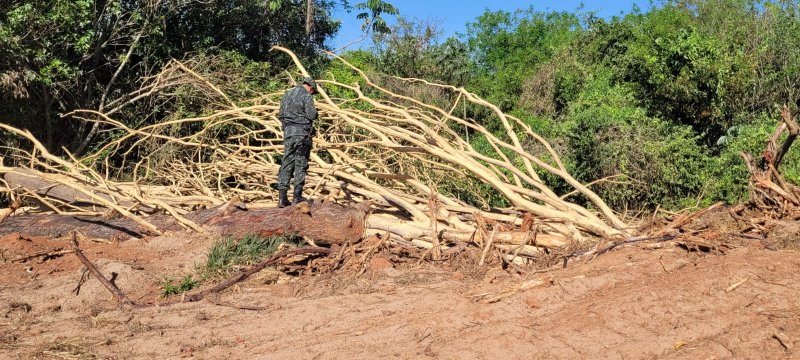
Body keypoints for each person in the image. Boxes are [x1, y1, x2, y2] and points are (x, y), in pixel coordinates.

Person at [276, 77, 318, 208]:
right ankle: (297, 196)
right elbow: (312, 115)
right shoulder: (306, 96)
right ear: (311, 87)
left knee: (287, 162)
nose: (312, 93)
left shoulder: (286, 95)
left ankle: (282, 198)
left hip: (288, 134)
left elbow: (280, 115)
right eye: (313, 91)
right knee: (301, 163)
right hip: (302, 134)